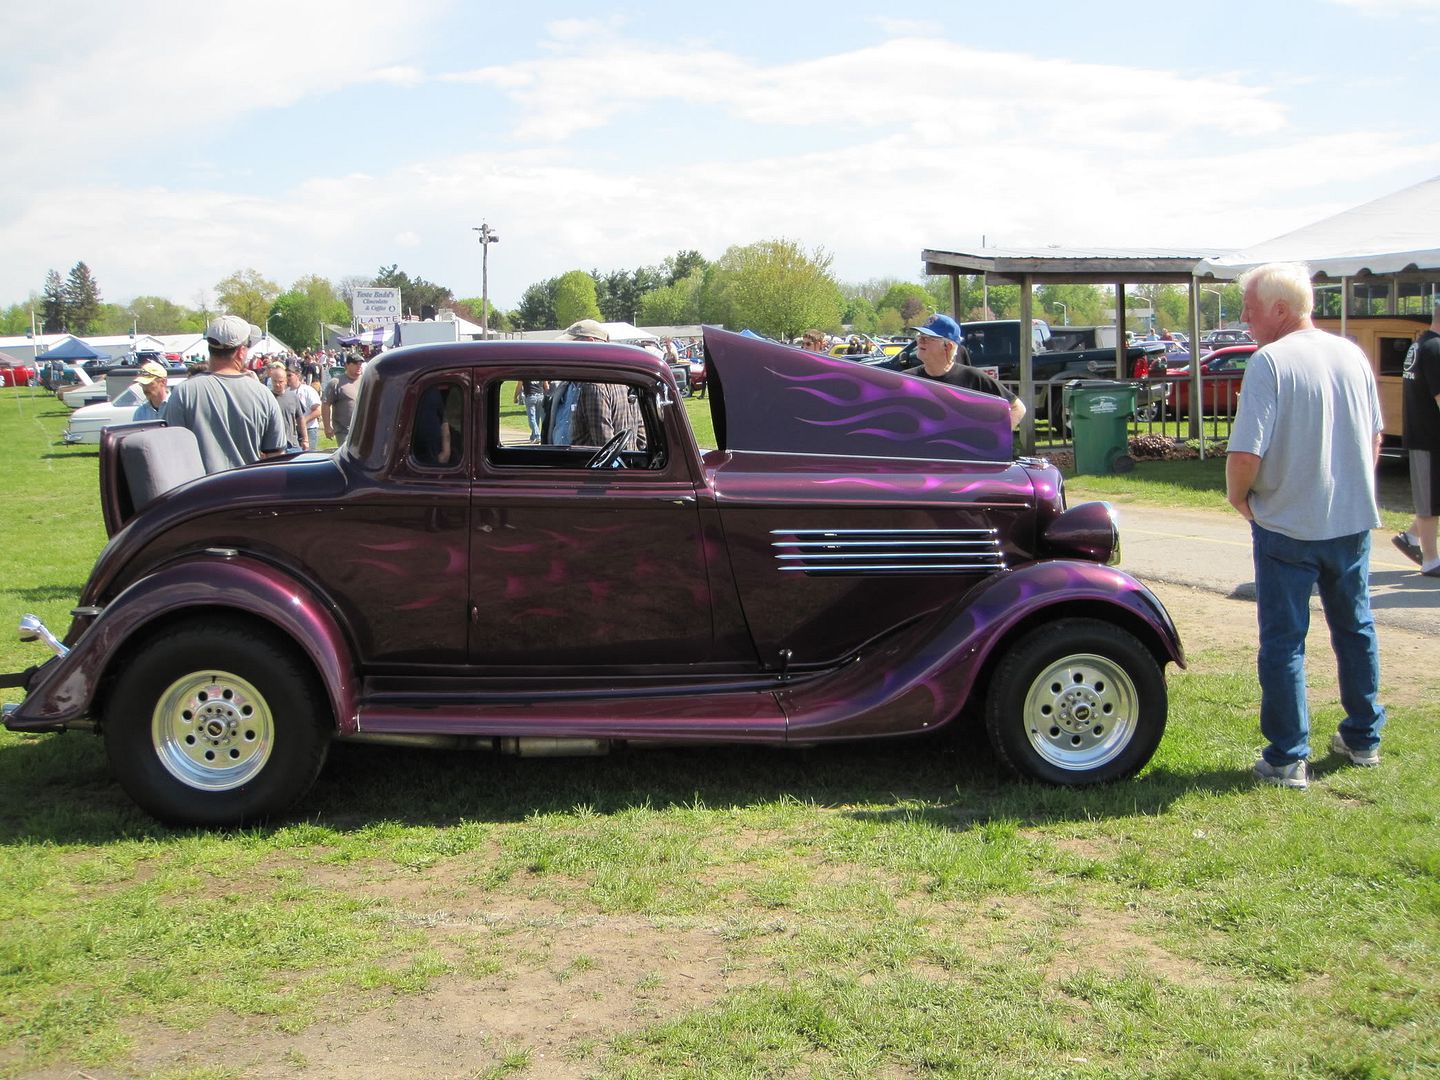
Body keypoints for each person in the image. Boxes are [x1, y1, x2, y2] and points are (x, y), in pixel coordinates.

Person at [1225, 262, 1386, 790]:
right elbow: (1374, 438)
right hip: (1350, 519)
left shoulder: (1270, 362)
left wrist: (1238, 496)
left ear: (1279, 308)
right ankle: (1363, 737)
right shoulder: (1352, 355)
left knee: (1284, 641)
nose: (1245, 316)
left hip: (1288, 522)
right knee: (1355, 628)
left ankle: (1288, 756)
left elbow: (1247, 449)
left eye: (1250, 306)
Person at [162, 315, 286, 473]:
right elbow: (276, 457)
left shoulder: (183, 393)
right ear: (241, 352)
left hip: (199, 493)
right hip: (249, 492)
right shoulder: (263, 394)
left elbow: (172, 453)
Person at [907, 314, 1027, 430]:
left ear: (948, 346)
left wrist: (995, 438)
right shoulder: (906, 380)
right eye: (920, 335)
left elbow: (1018, 408)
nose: (921, 340)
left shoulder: (973, 378)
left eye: (929, 338)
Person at [1393, 298, 1440, 577]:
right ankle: (1431, 559)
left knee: (1433, 497)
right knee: (1428, 501)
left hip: (1423, 434)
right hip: (1429, 437)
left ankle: (1411, 537)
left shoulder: (1420, 344)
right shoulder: (1435, 349)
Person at [544, 320, 609, 445]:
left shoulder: (612, 387)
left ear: (590, 344)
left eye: (570, 346)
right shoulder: (564, 386)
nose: (564, 352)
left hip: (587, 463)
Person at [322, 353, 364, 447]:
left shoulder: (366, 380)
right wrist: (327, 426)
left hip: (363, 430)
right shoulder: (335, 382)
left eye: (360, 364)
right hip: (344, 431)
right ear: (347, 365)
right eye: (355, 364)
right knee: (347, 458)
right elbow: (326, 404)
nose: (359, 366)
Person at [267, 361, 308, 451]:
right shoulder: (267, 398)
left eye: (281, 381)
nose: (277, 384)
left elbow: (301, 419)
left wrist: (305, 439)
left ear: (286, 381)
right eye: (275, 381)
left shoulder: (293, 396)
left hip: (293, 445)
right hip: (274, 446)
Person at [288, 366, 322, 451]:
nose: (287, 378)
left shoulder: (307, 390)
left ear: (297, 375)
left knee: (308, 457)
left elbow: (318, 411)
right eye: (286, 376)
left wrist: (303, 421)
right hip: (292, 432)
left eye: (289, 375)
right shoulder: (286, 392)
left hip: (309, 429)